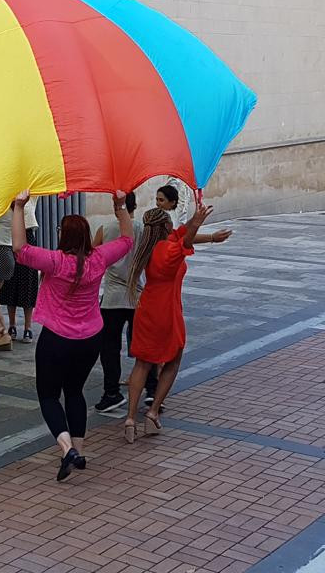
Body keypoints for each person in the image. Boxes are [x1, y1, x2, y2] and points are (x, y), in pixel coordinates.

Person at [12, 189, 133, 482]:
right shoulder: (99, 258)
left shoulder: (55, 261)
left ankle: (67, 449)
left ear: (63, 236)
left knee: (49, 396)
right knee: (75, 392)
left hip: (56, 340)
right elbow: (128, 240)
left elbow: (19, 248)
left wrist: (18, 207)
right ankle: (78, 449)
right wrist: (119, 206)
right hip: (90, 338)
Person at [123, 203, 230, 443]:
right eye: (170, 221)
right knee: (173, 358)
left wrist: (209, 235)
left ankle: (130, 418)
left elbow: (185, 234)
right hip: (166, 310)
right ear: (164, 226)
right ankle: (152, 412)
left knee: (143, 363)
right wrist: (198, 220)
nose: (174, 224)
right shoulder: (168, 250)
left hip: (146, 308)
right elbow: (186, 240)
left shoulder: (150, 247)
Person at [92, 192, 158, 412]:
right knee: (144, 345)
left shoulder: (106, 229)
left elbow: (94, 261)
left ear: (116, 205)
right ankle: (152, 389)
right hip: (139, 296)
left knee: (109, 347)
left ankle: (111, 392)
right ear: (135, 206)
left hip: (112, 298)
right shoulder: (145, 230)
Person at [0, 198, 40, 344]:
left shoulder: (29, 194)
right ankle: (11, 325)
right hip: (7, 237)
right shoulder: (5, 195)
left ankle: (27, 326)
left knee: (28, 281)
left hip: (27, 235)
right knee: (9, 283)